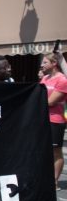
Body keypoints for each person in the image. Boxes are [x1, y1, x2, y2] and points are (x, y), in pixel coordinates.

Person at [39, 52, 67, 190]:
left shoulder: (62, 80)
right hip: (43, 119)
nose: (41, 65)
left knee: (56, 151)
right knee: (44, 150)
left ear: (54, 63)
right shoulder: (45, 78)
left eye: (45, 62)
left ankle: (55, 181)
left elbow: (50, 102)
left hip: (56, 120)